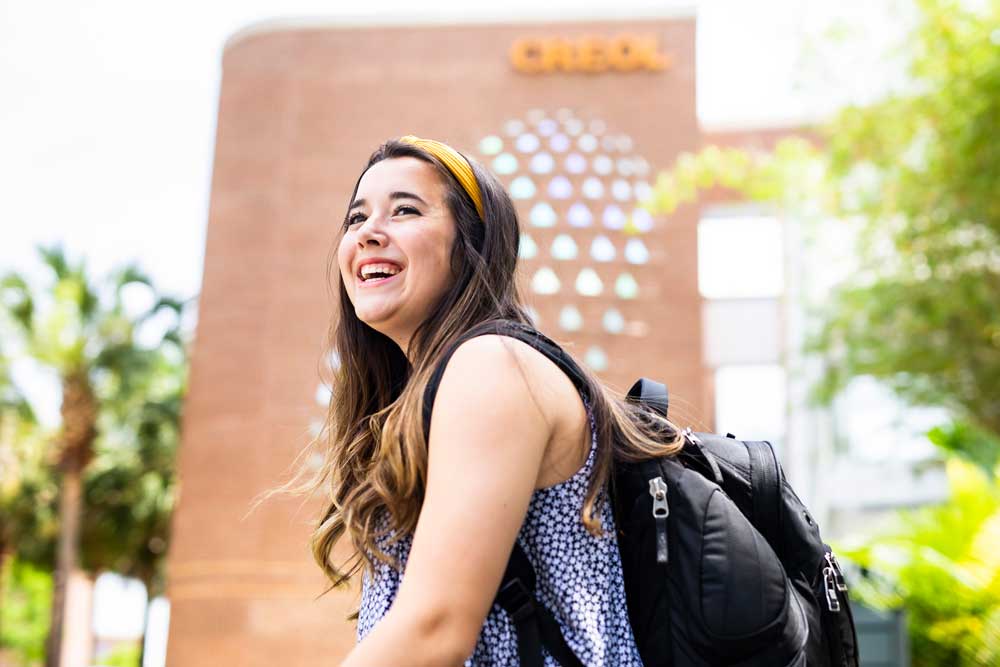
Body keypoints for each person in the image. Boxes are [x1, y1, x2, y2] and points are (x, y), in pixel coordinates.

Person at [274, 135, 688, 666]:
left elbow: (436, 630)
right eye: (356, 218)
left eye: (405, 210)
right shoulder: (445, 384)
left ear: (470, 243)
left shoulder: (492, 365)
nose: (369, 233)